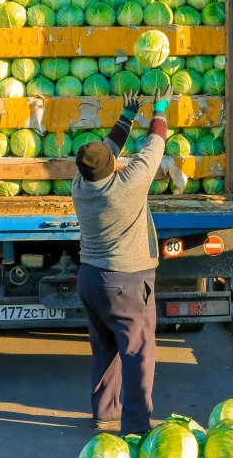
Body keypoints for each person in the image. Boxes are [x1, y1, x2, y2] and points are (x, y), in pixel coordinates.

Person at [72, 86, 172, 432]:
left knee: (105, 349)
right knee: (137, 354)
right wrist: (160, 110)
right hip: (126, 282)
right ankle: (136, 426)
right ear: (113, 167)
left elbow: (105, 152)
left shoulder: (80, 185)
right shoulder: (126, 187)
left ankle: (105, 412)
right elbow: (154, 148)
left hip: (91, 279)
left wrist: (127, 115)